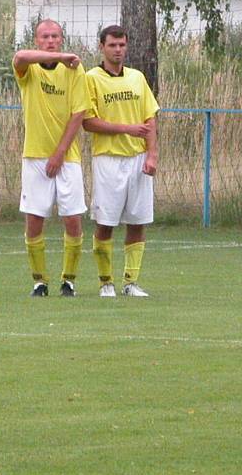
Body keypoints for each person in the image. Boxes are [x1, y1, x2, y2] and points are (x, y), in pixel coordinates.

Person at [13, 19, 92, 297]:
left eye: (55, 37)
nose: (50, 40)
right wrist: (59, 56)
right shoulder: (29, 69)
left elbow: (78, 113)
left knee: (72, 219)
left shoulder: (74, 70)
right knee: (34, 219)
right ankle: (39, 281)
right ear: (37, 40)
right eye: (45, 37)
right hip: (34, 155)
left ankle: (68, 280)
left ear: (61, 38)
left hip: (66, 157)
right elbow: (19, 57)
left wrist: (59, 152)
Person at [83, 25, 159, 297]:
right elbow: (88, 121)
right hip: (108, 160)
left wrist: (152, 154)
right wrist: (126, 129)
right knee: (105, 223)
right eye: (112, 45)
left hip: (137, 159)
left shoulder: (137, 78)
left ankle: (130, 282)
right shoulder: (91, 78)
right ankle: (106, 283)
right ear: (101, 46)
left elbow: (150, 118)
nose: (118, 50)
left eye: (122, 45)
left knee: (137, 221)